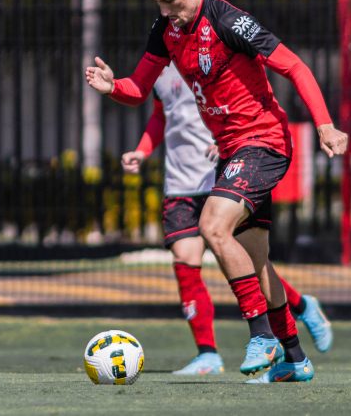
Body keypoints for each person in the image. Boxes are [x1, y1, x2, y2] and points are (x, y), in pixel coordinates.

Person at [86, 0, 347, 383]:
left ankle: (260, 334)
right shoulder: (165, 30)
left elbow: (295, 67)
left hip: (263, 143)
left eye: (171, 1)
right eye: (158, 3)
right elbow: (138, 88)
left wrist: (325, 125)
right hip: (231, 151)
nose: (166, 11)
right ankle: (296, 359)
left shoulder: (229, 22)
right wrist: (112, 86)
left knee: (213, 226)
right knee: (258, 262)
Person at [121, 63, 332, 376]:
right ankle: (208, 353)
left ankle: (298, 308)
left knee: (247, 260)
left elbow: (251, 102)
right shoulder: (159, 71)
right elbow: (160, 115)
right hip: (180, 182)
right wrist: (142, 150)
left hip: (221, 174)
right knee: (185, 258)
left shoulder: (212, 59)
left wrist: (230, 139)